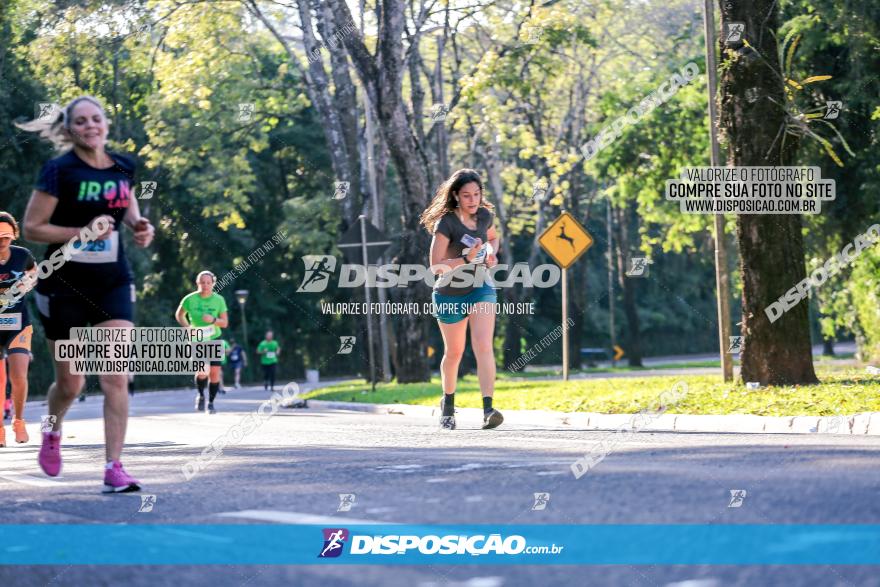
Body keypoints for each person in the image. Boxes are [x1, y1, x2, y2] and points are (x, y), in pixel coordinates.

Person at [19, 95, 154, 492]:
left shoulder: (123, 166)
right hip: (65, 286)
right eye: (81, 122)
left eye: (96, 119)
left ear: (106, 124)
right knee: (71, 385)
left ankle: (114, 468)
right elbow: (32, 227)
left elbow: (125, 205)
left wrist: (139, 227)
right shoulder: (59, 171)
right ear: (70, 129)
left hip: (112, 281)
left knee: (115, 374)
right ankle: (51, 429)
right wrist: (79, 233)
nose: (90, 126)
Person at [419, 168, 503, 431]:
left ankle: (489, 409)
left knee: (484, 346)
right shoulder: (446, 224)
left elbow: (493, 238)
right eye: (466, 195)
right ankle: (448, 404)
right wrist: (466, 259)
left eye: (476, 194)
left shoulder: (485, 216)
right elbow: (435, 266)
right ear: (456, 195)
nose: (473, 200)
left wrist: (491, 255)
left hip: (480, 287)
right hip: (449, 293)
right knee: (454, 352)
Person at [0, 212, 38, 447]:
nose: (1, 240)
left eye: (5, 236)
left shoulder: (23, 256)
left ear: (13, 235)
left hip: (19, 324)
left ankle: (19, 420)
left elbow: (34, 274)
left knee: (18, 376)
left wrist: (29, 282)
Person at [175, 271, 228, 414]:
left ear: (213, 284)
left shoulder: (219, 300)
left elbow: (224, 323)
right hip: (197, 340)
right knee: (203, 371)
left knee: (215, 373)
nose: (205, 285)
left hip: (214, 338)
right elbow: (179, 314)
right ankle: (201, 395)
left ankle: (211, 403)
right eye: (202, 282)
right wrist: (187, 327)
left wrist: (213, 320)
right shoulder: (189, 299)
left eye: (208, 283)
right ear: (197, 283)